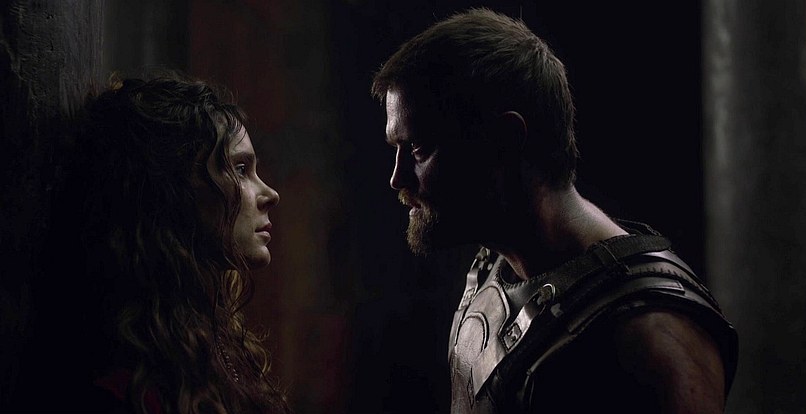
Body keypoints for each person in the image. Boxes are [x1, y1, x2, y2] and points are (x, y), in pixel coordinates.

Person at [372, 9, 738, 413]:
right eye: (397, 150)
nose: (397, 179)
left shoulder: (652, 341)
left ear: (504, 140)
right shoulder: (497, 267)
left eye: (419, 149)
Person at [46, 75, 289, 413]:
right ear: (175, 191)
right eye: (240, 169)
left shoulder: (217, 344)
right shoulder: (127, 388)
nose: (270, 194)